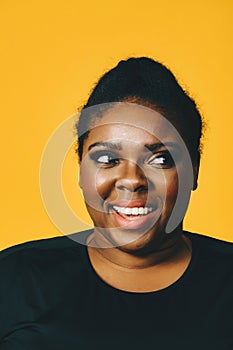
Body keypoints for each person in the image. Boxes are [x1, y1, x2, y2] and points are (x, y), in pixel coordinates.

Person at [0, 57, 232, 350]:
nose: (132, 179)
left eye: (160, 159)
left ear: (193, 170)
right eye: (107, 160)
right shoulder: (14, 279)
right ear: (81, 170)